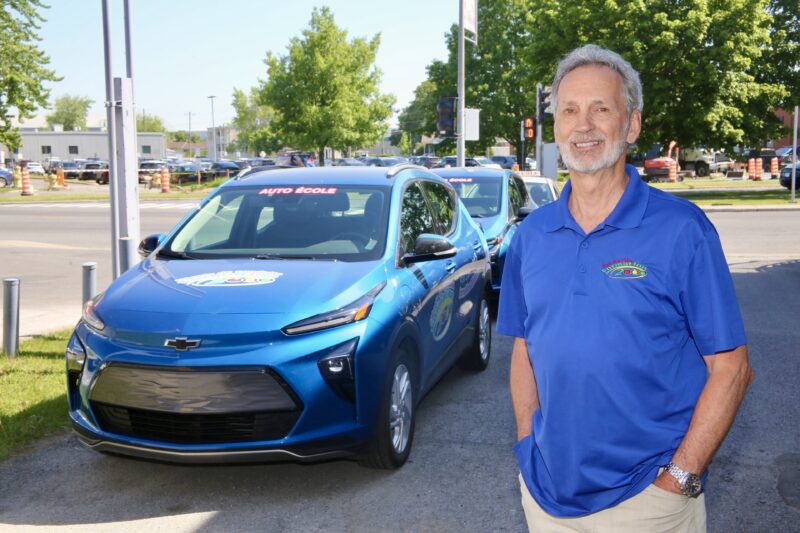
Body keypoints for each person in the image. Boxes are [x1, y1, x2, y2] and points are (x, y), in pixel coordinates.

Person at [497, 44, 753, 532]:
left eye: (601, 108)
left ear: (631, 125)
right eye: (569, 109)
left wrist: (680, 478)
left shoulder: (682, 231)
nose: (583, 125)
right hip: (547, 498)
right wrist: (527, 443)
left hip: (648, 501)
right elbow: (524, 348)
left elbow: (732, 368)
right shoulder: (531, 236)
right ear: (555, 126)